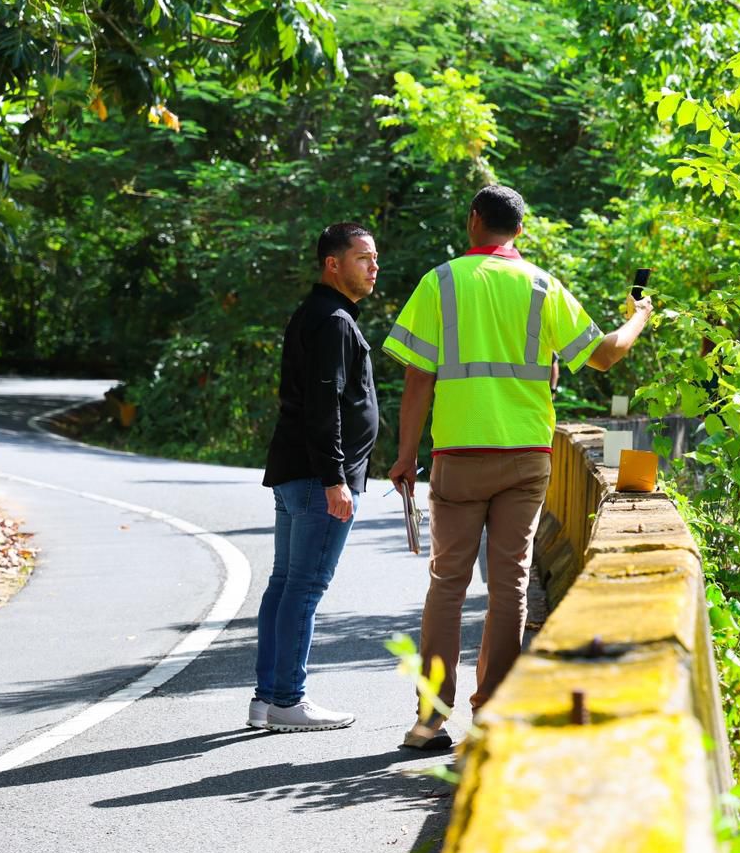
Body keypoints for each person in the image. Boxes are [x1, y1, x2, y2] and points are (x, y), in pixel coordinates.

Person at [384, 185, 651, 749]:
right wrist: (638, 319)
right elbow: (604, 355)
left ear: (473, 220)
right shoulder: (541, 285)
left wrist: (407, 455)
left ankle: (430, 719)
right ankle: (493, 714)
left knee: (447, 583)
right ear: (521, 232)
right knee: (510, 587)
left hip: (458, 452)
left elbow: (417, 377)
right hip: (527, 455)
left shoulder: (442, 281)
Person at [248, 222, 380, 733]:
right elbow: (325, 405)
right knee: (304, 586)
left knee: (285, 584)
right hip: (315, 476)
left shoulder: (317, 314)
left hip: (297, 470)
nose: (373, 267)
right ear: (333, 263)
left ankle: (267, 698)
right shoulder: (333, 322)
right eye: (363, 258)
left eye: (374, 258)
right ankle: (287, 698)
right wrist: (335, 479)